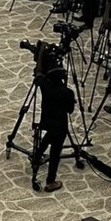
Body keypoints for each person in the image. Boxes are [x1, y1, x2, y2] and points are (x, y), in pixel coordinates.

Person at [34, 55, 76, 193]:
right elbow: (70, 110)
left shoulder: (45, 87)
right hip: (60, 126)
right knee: (55, 154)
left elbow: (38, 73)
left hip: (47, 122)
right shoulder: (68, 93)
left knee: (46, 140)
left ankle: (36, 160)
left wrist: (40, 54)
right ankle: (50, 181)